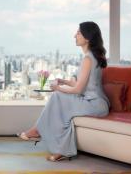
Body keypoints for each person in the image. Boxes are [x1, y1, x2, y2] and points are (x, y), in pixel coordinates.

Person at [17, 21, 110, 162]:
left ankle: (37, 130)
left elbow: (78, 89)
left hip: (95, 104)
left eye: (78, 33)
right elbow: (83, 84)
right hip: (94, 102)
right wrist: (64, 81)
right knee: (61, 107)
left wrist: (58, 88)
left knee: (57, 97)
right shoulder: (92, 56)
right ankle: (60, 149)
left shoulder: (87, 59)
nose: (75, 35)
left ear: (87, 37)